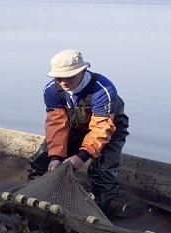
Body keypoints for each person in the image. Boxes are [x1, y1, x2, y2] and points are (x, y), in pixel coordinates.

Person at [28, 49, 129, 215]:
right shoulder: (51, 91)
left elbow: (101, 128)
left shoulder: (102, 89)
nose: (63, 82)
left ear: (82, 71)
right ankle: (40, 200)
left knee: (102, 174)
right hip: (75, 127)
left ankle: (100, 213)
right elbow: (56, 124)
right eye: (59, 78)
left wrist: (82, 156)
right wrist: (56, 157)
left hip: (109, 130)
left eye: (69, 77)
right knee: (41, 161)